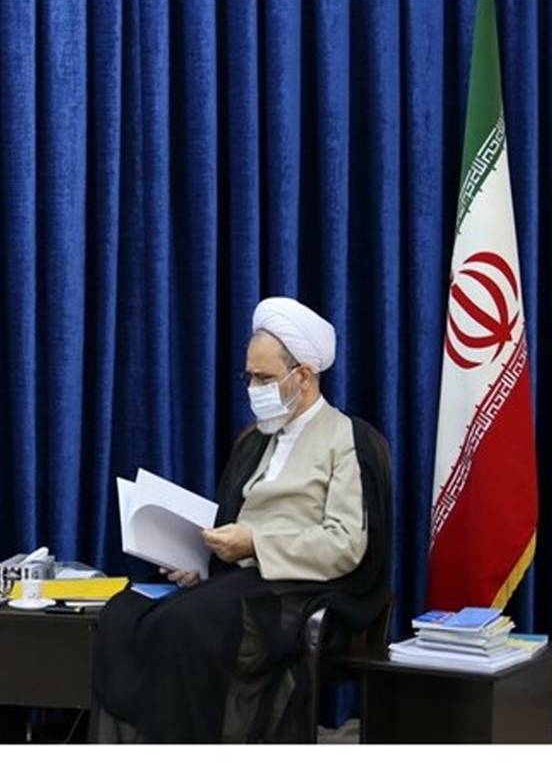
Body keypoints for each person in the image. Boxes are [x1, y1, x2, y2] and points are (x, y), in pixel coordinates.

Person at [91, 297, 390, 743]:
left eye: (264, 378)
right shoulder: (255, 442)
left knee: (184, 625)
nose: (253, 388)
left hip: (297, 587)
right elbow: (228, 525)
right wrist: (197, 562)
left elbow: (345, 544)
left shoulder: (348, 439)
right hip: (235, 579)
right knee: (123, 612)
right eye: (249, 376)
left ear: (304, 376)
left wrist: (255, 544)